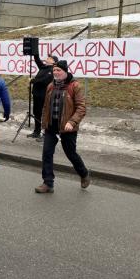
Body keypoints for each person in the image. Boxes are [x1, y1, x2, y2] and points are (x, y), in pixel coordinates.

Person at [35, 60, 91, 193]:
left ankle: (84, 174)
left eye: (58, 70)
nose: (55, 73)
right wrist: (44, 123)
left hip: (67, 129)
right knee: (47, 153)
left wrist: (71, 122)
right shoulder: (50, 86)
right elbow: (45, 107)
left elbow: (81, 108)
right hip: (51, 127)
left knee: (71, 154)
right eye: (54, 70)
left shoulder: (74, 86)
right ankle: (48, 183)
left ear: (65, 71)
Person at [28, 54, 58, 139]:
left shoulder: (52, 70)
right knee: (36, 113)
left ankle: (46, 134)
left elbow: (44, 81)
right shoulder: (43, 67)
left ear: (54, 62)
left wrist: (33, 80)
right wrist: (35, 53)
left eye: (50, 58)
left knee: (44, 114)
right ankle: (36, 131)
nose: (47, 58)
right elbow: (37, 60)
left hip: (43, 95)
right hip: (36, 94)